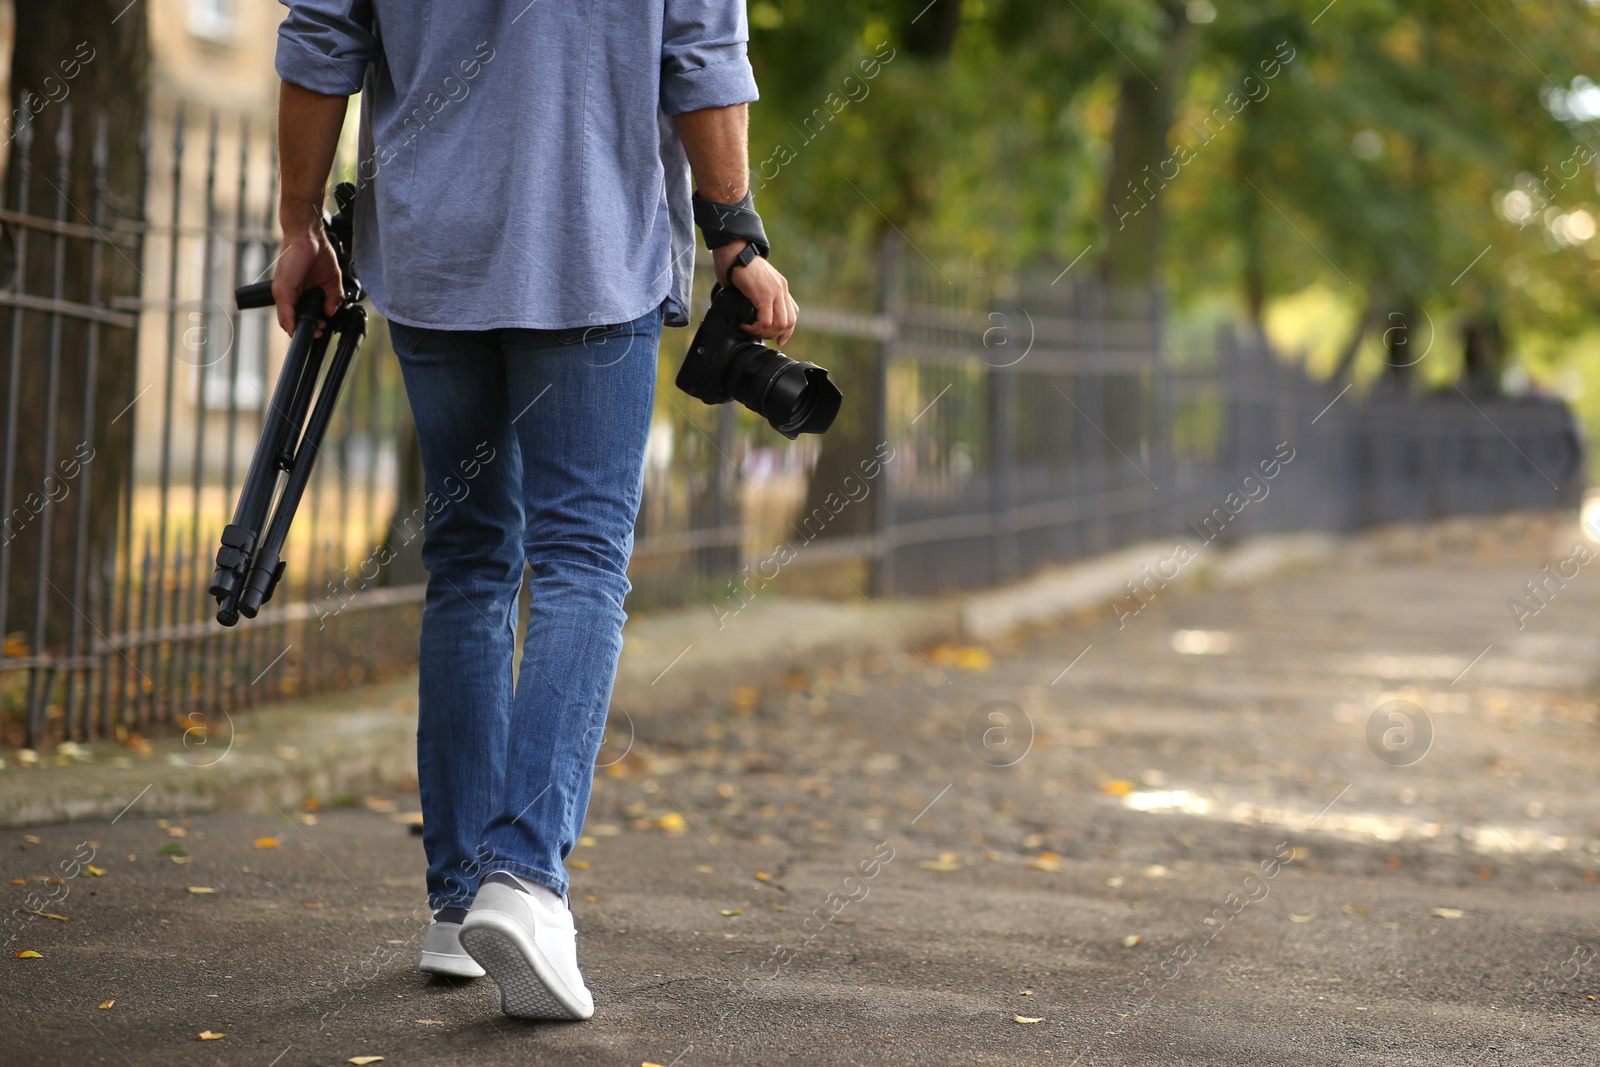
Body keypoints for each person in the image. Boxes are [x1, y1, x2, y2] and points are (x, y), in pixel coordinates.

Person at [271, 0, 797, 1021]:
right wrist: (734, 235)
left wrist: (298, 224)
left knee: (467, 564)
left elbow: (321, 37)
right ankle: (525, 882)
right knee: (580, 560)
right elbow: (701, 53)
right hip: (589, 245)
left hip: (431, 256)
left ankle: (457, 898)